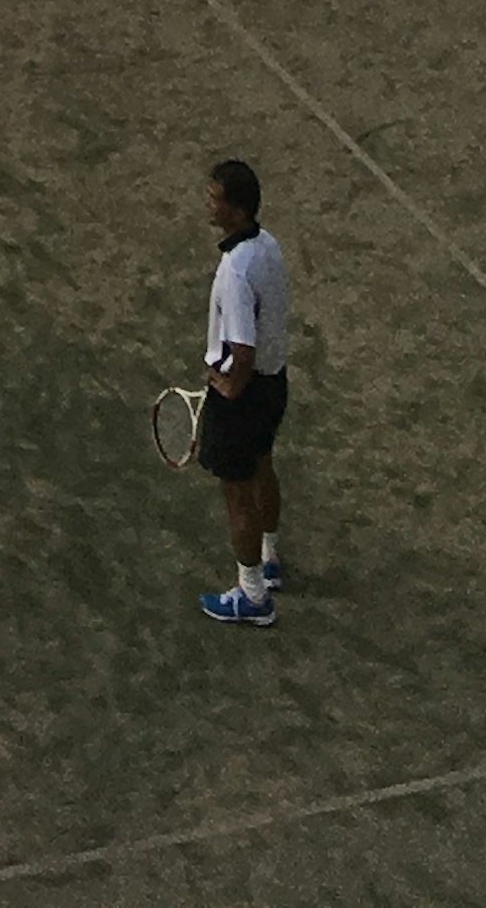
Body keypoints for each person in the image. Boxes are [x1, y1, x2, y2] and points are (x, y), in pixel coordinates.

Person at [192, 155, 289, 624]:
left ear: (236, 209)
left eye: (215, 200)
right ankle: (270, 560)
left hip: (245, 394)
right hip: (275, 387)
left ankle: (252, 596)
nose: (208, 206)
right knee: (263, 466)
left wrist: (226, 390)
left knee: (238, 494)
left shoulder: (233, 272)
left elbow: (242, 352)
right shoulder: (267, 246)